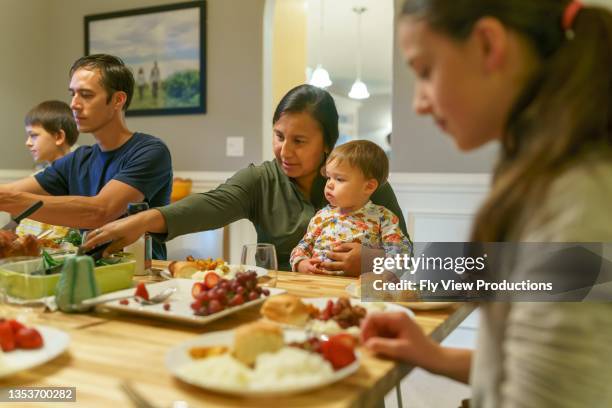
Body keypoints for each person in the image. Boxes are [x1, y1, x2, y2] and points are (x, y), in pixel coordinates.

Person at [361, 1, 612, 406]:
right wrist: (432, 354)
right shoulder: (543, 174)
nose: (419, 104)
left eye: (425, 72)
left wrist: (381, 264)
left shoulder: (575, 201)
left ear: (487, 44)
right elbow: (530, 369)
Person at [84, 84, 408, 274]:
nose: (284, 151)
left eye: (299, 141)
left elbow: (414, 264)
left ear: (327, 143)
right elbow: (209, 205)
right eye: (279, 136)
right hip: (284, 306)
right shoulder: (260, 179)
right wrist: (140, 222)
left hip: (357, 306)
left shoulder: (368, 185)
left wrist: (372, 262)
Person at [0, 54, 173, 259]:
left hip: (142, 275)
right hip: (87, 270)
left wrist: (7, 199)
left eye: (86, 95)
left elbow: (100, 212)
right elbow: (10, 191)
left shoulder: (150, 151)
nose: (74, 104)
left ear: (118, 100)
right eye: (72, 94)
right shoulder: (78, 159)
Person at [290, 140, 413, 275]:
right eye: (329, 177)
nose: (329, 184)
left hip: (360, 288)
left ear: (368, 186)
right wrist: (301, 263)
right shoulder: (321, 216)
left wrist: (387, 275)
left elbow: (401, 252)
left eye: (339, 179)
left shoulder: (383, 217)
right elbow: (303, 246)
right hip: (318, 284)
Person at [17, 100, 80, 238]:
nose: (27, 143)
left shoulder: (77, 178)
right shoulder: (39, 176)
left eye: (33, 135)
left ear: (59, 137)